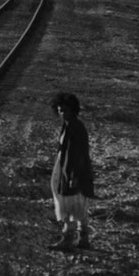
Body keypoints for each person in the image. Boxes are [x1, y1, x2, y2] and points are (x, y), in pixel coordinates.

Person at [48, 92, 94, 250]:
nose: (62, 113)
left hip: (73, 172)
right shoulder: (70, 125)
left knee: (69, 205)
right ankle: (83, 239)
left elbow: (78, 154)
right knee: (77, 205)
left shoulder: (75, 127)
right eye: (60, 110)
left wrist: (73, 176)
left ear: (73, 110)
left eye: (65, 110)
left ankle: (68, 240)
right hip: (69, 170)